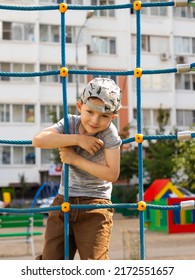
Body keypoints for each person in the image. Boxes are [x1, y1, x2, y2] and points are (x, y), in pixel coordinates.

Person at [32, 77, 122, 260]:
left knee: (94, 263)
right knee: (51, 261)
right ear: (80, 106)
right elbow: (38, 140)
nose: (95, 120)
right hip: (64, 200)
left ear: (113, 117)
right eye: (90, 112)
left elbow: (112, 174)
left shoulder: (109, 133)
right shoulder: (70, 123)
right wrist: (77, 139)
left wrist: (74, 158)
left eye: (104, 116)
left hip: (96, 205)